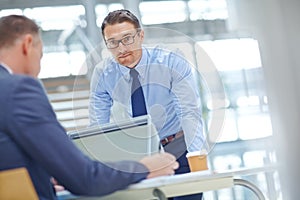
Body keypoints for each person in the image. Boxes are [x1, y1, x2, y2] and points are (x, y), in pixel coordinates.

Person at [0, 15, 179, 200]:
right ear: (27, 44)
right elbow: (85, 178)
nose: (38, 68)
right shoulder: (17, 89)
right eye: (41, 56)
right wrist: (145, 167)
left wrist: (46, 176)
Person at [89, 9, 204, 200]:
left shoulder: (170, 60)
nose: (121, 48)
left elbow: (189, 112)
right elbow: (97, 127)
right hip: (138, 155)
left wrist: (197, 159)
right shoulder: (103, 74)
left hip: (177, 148)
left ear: (141, 36)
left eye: (127, 38)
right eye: (113, 42)